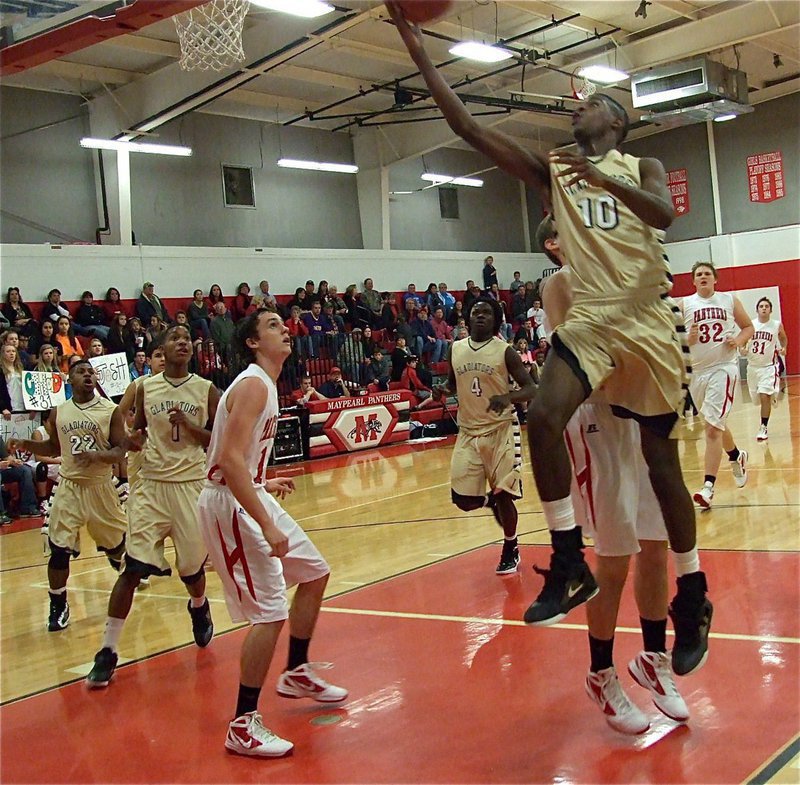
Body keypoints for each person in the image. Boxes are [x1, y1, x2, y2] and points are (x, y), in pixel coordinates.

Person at [387, 2, 710, 676]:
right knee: (541, 414)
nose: (577, 110)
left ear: (615, 120)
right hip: (593, 316)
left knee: (663, 462)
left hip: (646, 319)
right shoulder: (554, 169)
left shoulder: (639, 165)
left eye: (590, 103)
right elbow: (467, 126)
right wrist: (417, 47)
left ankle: (695, 591)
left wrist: (596, 177)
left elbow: (664, 214)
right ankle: (568, 558)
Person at [539, 217, 689, 733]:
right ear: (554, 243)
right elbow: (581, 363)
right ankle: (601, 673)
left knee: (656, 545)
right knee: (615, 556)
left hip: (643, 415)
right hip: (599, 419)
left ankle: (654, 657)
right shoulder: (560, 285)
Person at [198, 309, 347, 757]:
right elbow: (226, 459)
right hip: (230, 505)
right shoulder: (251, 385)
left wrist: (264, 482)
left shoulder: (266, 384)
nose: (285, 330)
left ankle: (296, 669)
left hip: (251, 494)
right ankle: (242, 724)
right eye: (273, 326)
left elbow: (241, 456)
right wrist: (264, 520)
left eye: (284, 325)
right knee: (269, 613)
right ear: (251, 342)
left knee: (315, 571)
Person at [86, 325, 219, 688]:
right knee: (131, 569)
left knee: (191, 570)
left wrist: (193, 428)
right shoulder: (145, 387)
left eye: (186, 337)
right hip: (152, 490)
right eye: (174, 337)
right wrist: (128, 439)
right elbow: (134, 431)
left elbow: (222, 438)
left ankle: (199, 605)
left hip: (190, 488)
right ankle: (107, 651)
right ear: (160, 349)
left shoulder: (206, 390)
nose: (182, 341)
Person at [8, 361, 128, 631]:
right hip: (69, 486)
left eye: (90, 371)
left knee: (116, 545)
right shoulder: (58, 412)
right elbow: (53, 445)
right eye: (80, 371)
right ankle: (58, 603)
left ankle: (116, 554)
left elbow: (121, 450)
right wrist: (25, 443)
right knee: (58, 549)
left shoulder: (110, 410)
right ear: (69, 379)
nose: (87, 374)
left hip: (100, 486)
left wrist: (99, 455)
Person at [433, 298, 536, 573]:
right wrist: (442, 390)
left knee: (506, 496)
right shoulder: (455, 349)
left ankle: (510, 547)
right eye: (476, 312)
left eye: (487, 313)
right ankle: (490, 501)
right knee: (463, 501)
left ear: (496, 319)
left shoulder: (506, 352)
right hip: (468, 431)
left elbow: (532, 389)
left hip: (501, 429)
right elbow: (454, 385)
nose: (480, 316)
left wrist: (508, 397)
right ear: (467, 317)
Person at [680, 262, 753, 510]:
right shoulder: (684, 304)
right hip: (696, 374)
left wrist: (738, 339)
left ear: (715, 279)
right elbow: (672, 339)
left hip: (723, 368)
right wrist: (685, 339)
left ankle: (708, 488)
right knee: (716, 424)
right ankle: (736, 456)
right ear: (693, 281)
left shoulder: (729, 300)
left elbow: (748, 327)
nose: (703, 277)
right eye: (698, 274)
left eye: (707, 274)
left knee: (711, 429)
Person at [746, 297, 787, 442]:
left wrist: (784, 347)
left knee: (764, 396)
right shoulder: (750, 325)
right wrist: (742, 349)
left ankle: (763, 427)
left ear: (770, 310)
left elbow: (783, 338)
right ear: (757, 309)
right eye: (761, 306)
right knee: (756, 400)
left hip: (768, 367)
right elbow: (743, 341)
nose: (764, 308)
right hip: (752, 368)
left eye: (766, 306)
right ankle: (772, 395)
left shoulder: (776, 325)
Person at [0, 435, 39, 520]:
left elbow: (6, 457)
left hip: (3, 470)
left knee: (24, 470)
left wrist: (14, 461)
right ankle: (1, 513)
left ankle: (28, 508)